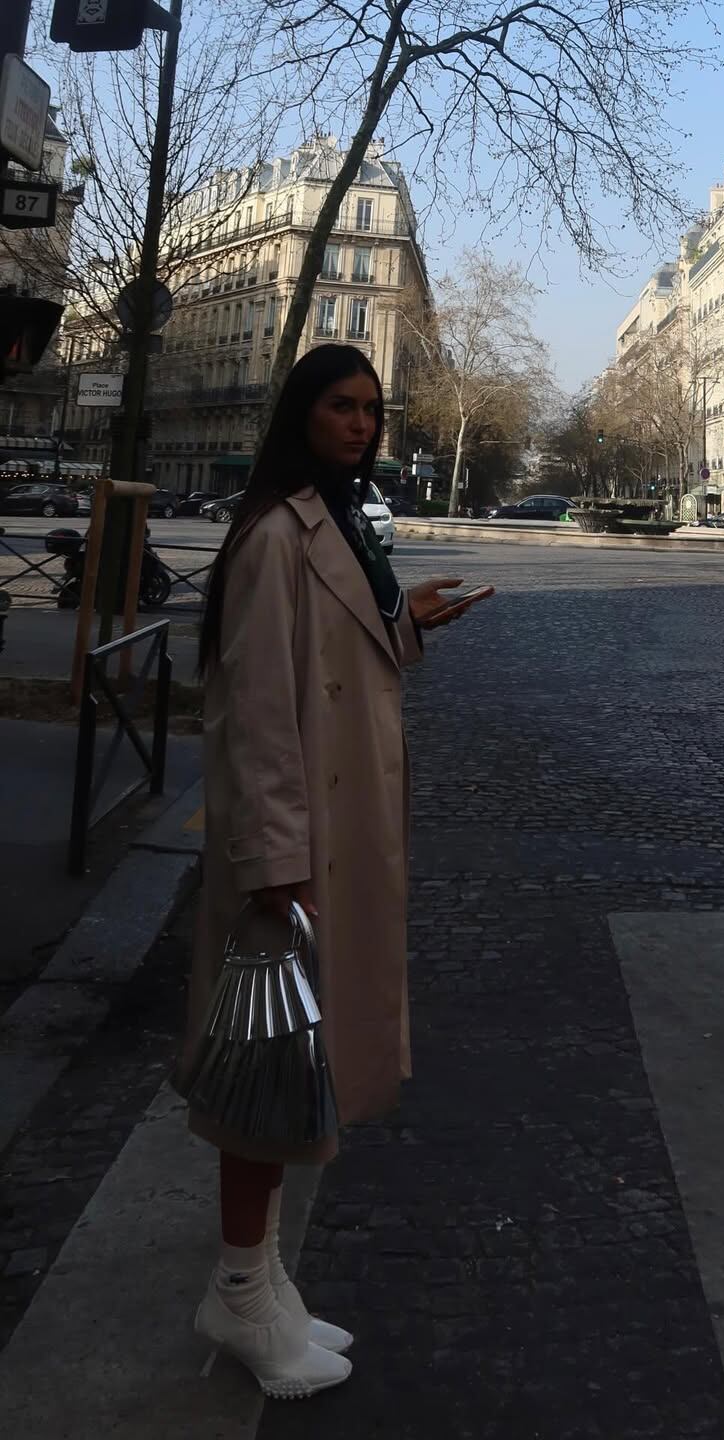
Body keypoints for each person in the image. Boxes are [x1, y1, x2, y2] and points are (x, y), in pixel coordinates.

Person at [180, 345, 490, 1398]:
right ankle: (237, 1289)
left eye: (373, 408)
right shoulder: (276, 531)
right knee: (264, 1077)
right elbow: (258, 704)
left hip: (326, 833)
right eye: (341, 407)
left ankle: (261, 1288)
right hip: (294, 846)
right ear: (301, 415)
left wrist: (405, 627)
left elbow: (332, 655)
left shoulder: (340, 523)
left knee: (290, 1075)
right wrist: (274, 862)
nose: (362, 424)